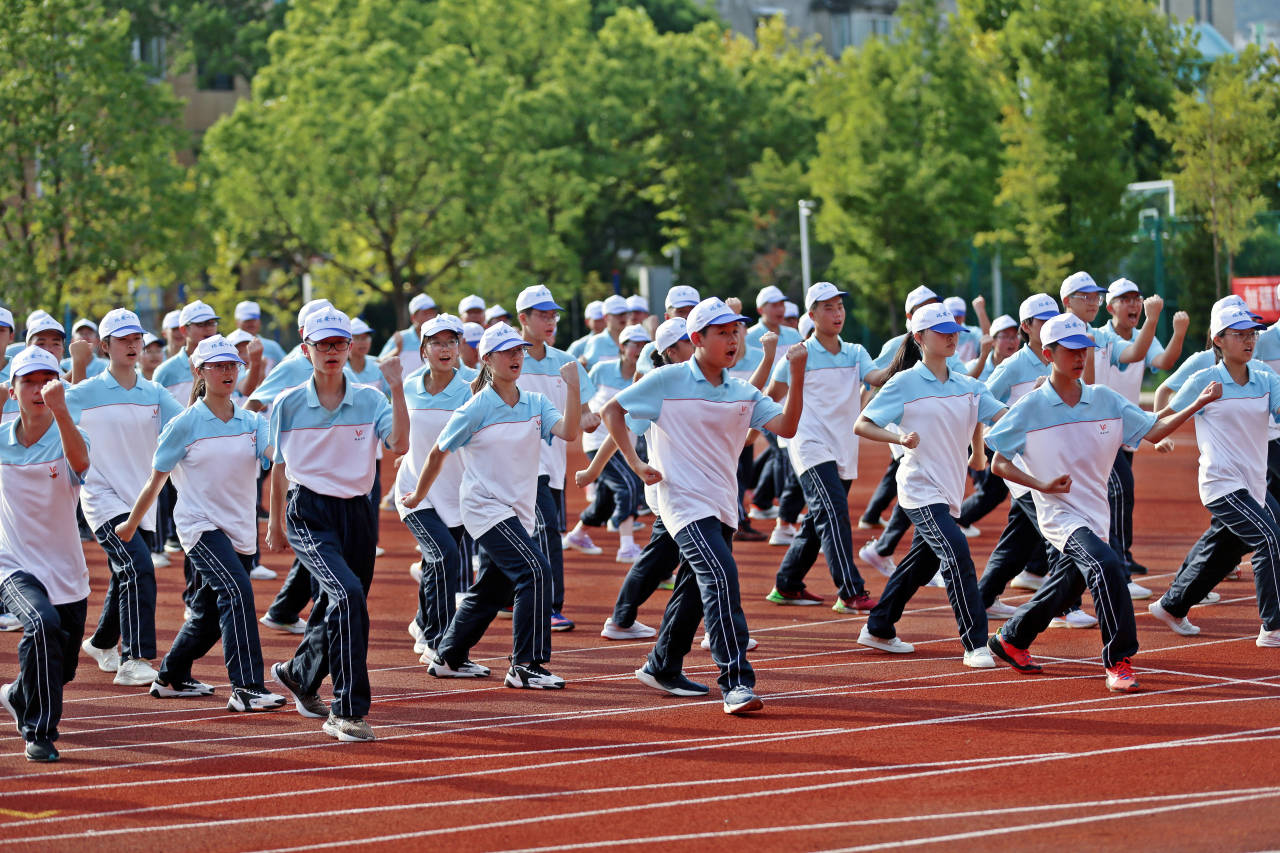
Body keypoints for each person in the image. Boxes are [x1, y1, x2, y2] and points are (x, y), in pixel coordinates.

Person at [984, 312, 1218, 692]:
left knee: (1065, 584)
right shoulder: (1030, 407)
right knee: (1108, 566)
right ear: (1048, 353)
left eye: (1085, 349)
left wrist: (1195, 404)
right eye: (1071, 350)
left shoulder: (1105, 400)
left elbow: (1154, 428)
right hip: (1060, 516)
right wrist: (1041, 483)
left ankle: (1011, 637)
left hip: (1096, 514)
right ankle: (1119, 659)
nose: (1080, 357)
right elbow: (998, 462)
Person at [602, 297, 804, 715]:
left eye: (736, 331)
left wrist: (797, 375)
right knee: (721, 576)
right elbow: (612, 411)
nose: (733, 339)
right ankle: (736, 682)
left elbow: (786, 426)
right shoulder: (667, 379)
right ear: (696, 339)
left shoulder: (742, 391)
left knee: (694, 589)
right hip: (682, 503)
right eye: (722, 332)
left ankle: (662, 665)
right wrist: (637, 463)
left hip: (722, 504)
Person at [113, 336, 287, 712]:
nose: (227, 372)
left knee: (208, 616)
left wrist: (276, 519)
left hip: (241, 529)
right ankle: (246, 687)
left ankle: (171, 675)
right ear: (199, 371)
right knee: (239, 591)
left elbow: (281, 462)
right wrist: (130, 524)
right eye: (218, 366)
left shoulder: (253, 422)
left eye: (232, 365)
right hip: (200, 528)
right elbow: (155, 480)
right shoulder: (184, 424)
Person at [403, 322, 580, 688]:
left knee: (491, 589)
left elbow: (569, 432)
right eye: (508, 352)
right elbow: (438, 451)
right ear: (487, 359)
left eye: (519, 351)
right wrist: (419, 496)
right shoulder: (476, 406)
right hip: (485, 508)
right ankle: (525, 665)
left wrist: (574, 387)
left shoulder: (535, 402)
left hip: (519, 509)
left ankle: (448, 656)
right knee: (535, 570)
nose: (517, 357)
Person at [266, 307, 408, 742]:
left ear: (350, 348)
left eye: (339, 343)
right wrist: (274, 523)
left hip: (358, 514)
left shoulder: (370, 398)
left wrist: (398, 387)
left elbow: (399, 442)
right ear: (305, 348)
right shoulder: (287, 403)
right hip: (309, 512)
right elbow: (278, 467)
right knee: (347, 596)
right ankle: (347, 710)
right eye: (322, 344)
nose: (331, 351)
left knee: (343, 604)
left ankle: (298, 674)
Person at [853, 303, 1006, 668]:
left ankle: (879, 626)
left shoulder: (966, 383)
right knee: (956, 553)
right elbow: (863, 423)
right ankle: (975, 644)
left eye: (954, 330)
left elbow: (1000, 415)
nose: (952, 336)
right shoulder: (904, 382)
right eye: (941, 331)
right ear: (920, 337)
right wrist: (899, 436)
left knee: (919, 566)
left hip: (951, 490)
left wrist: (982, 451)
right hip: (919, 488)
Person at [1148, 303, 1280, 647]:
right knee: (1269, 538)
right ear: (1218, 340)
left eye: (1251, 333)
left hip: (1253, 486)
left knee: (1225, 549)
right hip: (1221, 484)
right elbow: (1156, 425)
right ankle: (1273, 627)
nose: (1249, 340)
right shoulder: (1205, 379)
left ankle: (1172, 605)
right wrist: (1195, 405)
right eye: (1239, 335)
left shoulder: (1265, 378)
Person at [67, 309, 184, 688]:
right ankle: (134, 658)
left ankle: (102, 643)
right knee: (138, 568)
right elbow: (52, 423)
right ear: (106, 346)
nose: (134, 344)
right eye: (124, 339)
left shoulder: (154, 393)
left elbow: (186, 426)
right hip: (101, 498)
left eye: (137, 338)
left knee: (125, 574)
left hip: (141, 502)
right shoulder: (84, 392)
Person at [765, 282, 887, 613]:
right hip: (808, 444)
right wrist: (781, 432)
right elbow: (770, 399)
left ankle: (787, 584)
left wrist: (908, 351)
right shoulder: (798, 354)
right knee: (834, 513)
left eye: (840, 307)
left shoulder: (856, 352)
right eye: (829, 308)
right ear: (812, 314)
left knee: (820, 518)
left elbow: (877, 377)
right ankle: (850, 592)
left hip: (843, 445)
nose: (837, 314)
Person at [0, 346, 92, 761]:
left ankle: (19, 694)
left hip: (66, 571)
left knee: (59, 668)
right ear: (14, 389)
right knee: (41, 623)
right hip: (13, 564)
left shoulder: (70, 432)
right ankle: (39, 731)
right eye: (29, 382)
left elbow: (81, 462)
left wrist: (62, 411)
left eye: (47, 381)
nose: (38, 389)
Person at [512, 285, 598, 631]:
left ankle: (510, 596)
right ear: (523, 319)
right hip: (517, 465)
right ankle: (549, 605)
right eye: (543, 315)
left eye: (554, 315)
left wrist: (589, 417)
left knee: (539, 529)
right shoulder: (508, 359)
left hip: (553, 464)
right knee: (545, 530)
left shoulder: (566, 362)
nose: (551, 321)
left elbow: (588, 413)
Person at [1092, 278, 1187, 583]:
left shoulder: (1142, 336)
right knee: (1119, 492)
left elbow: (1163, 360)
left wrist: (1179, 332)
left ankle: (1121, 556)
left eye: (1137, 298)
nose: (1134, 304)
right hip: (1099, 430)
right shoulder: (1101, 337)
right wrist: (1153, 318)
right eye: (1126, 299)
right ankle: (1117, 565)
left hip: (1125, 431)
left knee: (1117, 496)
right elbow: (1133, 352)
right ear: (1110, 307)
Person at [396, 315, 473, 664]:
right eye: (437, 343)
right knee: (445, 556)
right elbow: (396, 430)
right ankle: (437, 642)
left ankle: (422, 621)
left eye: (451, 342)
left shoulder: (473, 386)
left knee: (436, 561)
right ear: (423, 349)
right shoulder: (408, 385)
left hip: (457, 493)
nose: (445, 349)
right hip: (415, 491)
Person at [564, 324, 650, 562]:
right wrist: (585, 414)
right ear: (623, 347)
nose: (640, 350)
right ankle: (626, 546)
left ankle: (577, 534)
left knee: (604, 500)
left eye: (645, 345)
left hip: (624, 445)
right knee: (629, 484)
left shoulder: (647, 376)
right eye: (636, 344)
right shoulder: (601, 370)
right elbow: (580, 392)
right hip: (597, 441)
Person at [579, 294, 630, 370]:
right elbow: (587, 371)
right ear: (606, 317)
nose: (622, 317)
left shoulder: (635, 339)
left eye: (624, 313)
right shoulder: (596, 342)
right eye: (617, 313)